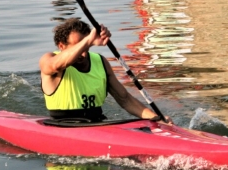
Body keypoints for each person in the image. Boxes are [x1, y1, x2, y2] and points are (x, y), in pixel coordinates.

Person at [39, 18, 172, 123]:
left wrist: (156, 119)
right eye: (80, 46)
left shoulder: (100, 62)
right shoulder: (49, 59)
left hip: (98, 123)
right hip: (63, 126)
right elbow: (55, 66)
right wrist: (88, 40)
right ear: (61, 46)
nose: (84, 54)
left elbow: (125, 99)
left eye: (88, 47)